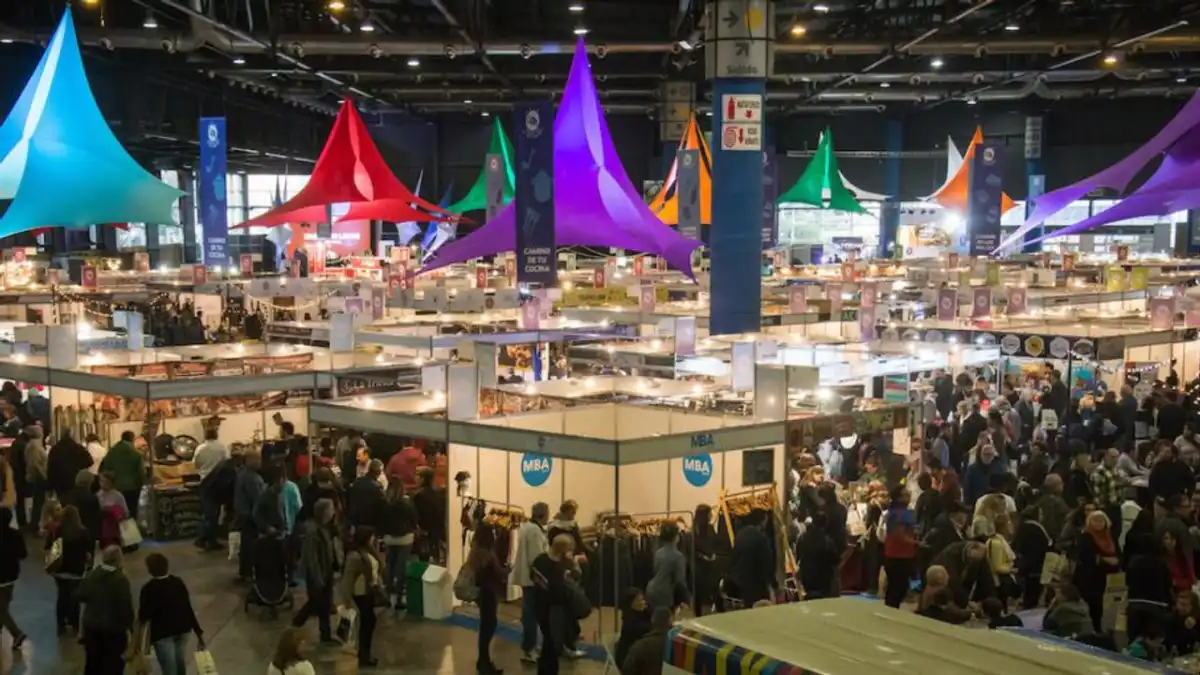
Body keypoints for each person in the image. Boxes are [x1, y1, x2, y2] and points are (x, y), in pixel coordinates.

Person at [137, 553, 204, 675]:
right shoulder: (177, 582)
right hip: (183, 630)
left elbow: (144, 614)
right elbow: (187, 607)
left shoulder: (149, 588)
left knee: (169, 669)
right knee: (179, 663)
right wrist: (198, 632)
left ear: (150, 570)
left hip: (163, 634)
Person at [77, 545, 135, 675]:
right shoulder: (121, 580)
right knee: (113, 665)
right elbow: (125, 606)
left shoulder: (92, 574)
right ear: (118, 559)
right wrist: (131, 628)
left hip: (92, 626)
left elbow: (80, 595)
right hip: (113, 629)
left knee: (92, 663)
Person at [293, 499, 338, 643]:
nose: (333, 511)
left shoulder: (325, 528)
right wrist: (318, 577)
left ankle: (325, 634)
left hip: (326, 571)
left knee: (324, 604)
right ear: (324, 512)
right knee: (316, 602)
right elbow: (311, 557)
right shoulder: (313, 531)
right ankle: (295, 625)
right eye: (331, 508)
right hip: (318, 574)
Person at [339, 526, 383, 667]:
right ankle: (364, 655)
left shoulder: (367, 552)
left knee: (369, 623)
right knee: (366, 624)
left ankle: (365, 653)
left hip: (368, 593)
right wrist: (349, 602)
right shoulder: (355, 556)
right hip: (361, 594)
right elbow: (347, 582)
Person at [511, 501, 549, 663]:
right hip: (534, 579)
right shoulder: (534, 531)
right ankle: (529, 648)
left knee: (529, 613)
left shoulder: (526, 527)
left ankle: (530, 646)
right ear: (543, 514)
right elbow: (536, 558)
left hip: (528, 578)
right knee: (531, 615)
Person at [468, 524, 508, 675]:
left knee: (485, 626)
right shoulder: (489, 554)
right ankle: (484, 662)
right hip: (489, 592)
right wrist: (509, 569)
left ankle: (483, 660)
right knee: (489, 626)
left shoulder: (475, 552)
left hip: (480, 592)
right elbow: (500, 572)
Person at [531, 534, 573, 675]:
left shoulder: (539, 560)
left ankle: (544, 670)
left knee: (548, 641)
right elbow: (559, 592)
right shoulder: (559, 567)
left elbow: (533, 576)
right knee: (553, 643)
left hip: (540, 605)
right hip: (553, 609)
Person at [46, 504, 91, 635]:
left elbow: (52, 548)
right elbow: (89, 550)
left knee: (62, 596)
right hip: (77, 569)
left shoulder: (58, 531)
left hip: (60, 569)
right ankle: (74, 624)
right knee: (74, 598)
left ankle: (61, 625)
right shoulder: (83, 532)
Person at [1074, 510, 1121, 631]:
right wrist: (1104, 559)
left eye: (1101, 520)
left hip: (1108, 578)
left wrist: (1115, 561)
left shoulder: (1111, 536)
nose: (1099, 523)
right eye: (1095, 521)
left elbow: (1118, 554)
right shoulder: (1086, 537)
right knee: (1093, 604)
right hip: (1090, 578)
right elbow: (1085, 556)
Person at [380, 478, 418, 609]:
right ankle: (399, 597)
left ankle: (387, 594)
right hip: (405, 538)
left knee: (390, 565)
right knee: (401, 567)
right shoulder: (407, 504)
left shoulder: (384, 504)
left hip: (389, 538)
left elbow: (380, 521)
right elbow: (414, 520)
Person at [881, 486, 917, 609]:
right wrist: (916, 543)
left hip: (896, 554)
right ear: (898, 498)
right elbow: (899, 534)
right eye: (905, 494)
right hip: (899, 555)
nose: (909, 496)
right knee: (897, 588)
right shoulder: (899, 513)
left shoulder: (896, 512)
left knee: (896, 588)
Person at [930, 540, 995, 608]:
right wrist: (967, 603)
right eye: (970, 559)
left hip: (961, 588)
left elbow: (987, 580)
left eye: (975, 561)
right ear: (970, 548)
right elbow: (953, 581)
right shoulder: (951, 552)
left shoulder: (979, 556)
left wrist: (991, 603)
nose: (971, 562)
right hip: (942, 588)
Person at [730, 509, 775, 606]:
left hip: (740, 582)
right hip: (757, 583)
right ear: (762, 521)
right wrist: (773, 583)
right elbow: (767, 563)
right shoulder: (761, 538)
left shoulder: (740, 535)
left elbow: (734, 558)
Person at [234, 451, 266, 580]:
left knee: (246, 545)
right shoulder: (252, 478)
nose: (260, 462)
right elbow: (257, 499)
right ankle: (249, 571)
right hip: (249, 516)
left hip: (243, 514)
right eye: (257, 459)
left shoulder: (243, 474)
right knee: (250, 545)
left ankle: (245, 571)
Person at [1012, 505, 1052, 608]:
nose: (1042, 516)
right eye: (1041, 513)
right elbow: (1045, 544)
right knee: (1033, 591)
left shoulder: (1023, 526)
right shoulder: (1034, 527)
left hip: (1026, 563)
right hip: (1035, 564)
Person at [99, 430, 144, 523]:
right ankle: (131, 529)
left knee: (117, 513)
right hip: (132, 487)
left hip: (116, 487)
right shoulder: (135, 454)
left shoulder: (112, 451)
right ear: (132, 439)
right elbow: (141, 473)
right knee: (131, 512)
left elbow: (104, 468)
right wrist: (143, 484)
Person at [646, 521, 689, 612]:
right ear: (676, 537)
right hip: (665, 592)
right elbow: (680, 581)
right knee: (666, 617)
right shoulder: (678, 556)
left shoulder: (658, 553)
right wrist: (686, 599)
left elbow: (655, 570)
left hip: (651, 589)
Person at [0, 507, 27, 650]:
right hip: (11, 576)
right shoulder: (16, 535)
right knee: (3, 606)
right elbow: (23, 554)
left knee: (1, 610)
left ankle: (17, 634)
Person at [619, 608, 672, 675]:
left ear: (652, 620)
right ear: (670, 622)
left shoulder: (641, 646)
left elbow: (627, 670)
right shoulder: (676, 647)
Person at [60, 468, 101, 550]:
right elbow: (96, 518)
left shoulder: (67, 496)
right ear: (90, 482)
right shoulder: (92, 498)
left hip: (68, 534)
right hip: (86, 535)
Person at [692, 504, 722, 615]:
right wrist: (703, 557)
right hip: (700, 567)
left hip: (711, 566)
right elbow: (692, 550)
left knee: (715, 592)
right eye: (709, 514)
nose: (711, 516)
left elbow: (715, 543)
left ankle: (719, 612)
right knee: (699, 595)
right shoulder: (693, 532)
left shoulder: (709, 528)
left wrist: (714, 554)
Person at [47, 429, 93, 497]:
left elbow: (50, 468)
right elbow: (90, 461)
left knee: (63, 500)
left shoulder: (55, 449)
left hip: (59, 482)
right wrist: (80, 467)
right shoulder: (78, 448)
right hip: (74, 480)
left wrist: (50, 487)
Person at [614, 588, 651, 669]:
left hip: (636, 655)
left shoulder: (640, 613)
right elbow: (648, 630)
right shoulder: (630, 621)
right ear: (630, 604)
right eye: (638, 601)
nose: (642, 603)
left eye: (643, 600)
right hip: (627, 660)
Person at [348, 459, 387, 534]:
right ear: (378, 472)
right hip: (370, 521)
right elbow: (382, 504)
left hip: (355, 519)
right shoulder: (376, 487)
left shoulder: (356, 482)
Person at [96, 471, 129, 549]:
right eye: (102, 481)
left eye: (106, 482)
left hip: (115, 526)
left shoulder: (118, 495)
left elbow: (125, 512)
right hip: (102, 526)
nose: (103, 484)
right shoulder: (98, 495)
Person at [24, 425, 47, 533]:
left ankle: (36, 525)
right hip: (38, 478)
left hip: (37, 477)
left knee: (38, 502)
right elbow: (35, 464)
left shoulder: (34, 445)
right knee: (38, 503)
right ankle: (35, 526)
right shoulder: (34, 446)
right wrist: (44, 476)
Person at [1167, 590, 1200, 656]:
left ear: (1192, 607)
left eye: (1184, 605)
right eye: (1179, 604)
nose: (1180, 608)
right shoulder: (1170, 619)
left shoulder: (1196, 619)